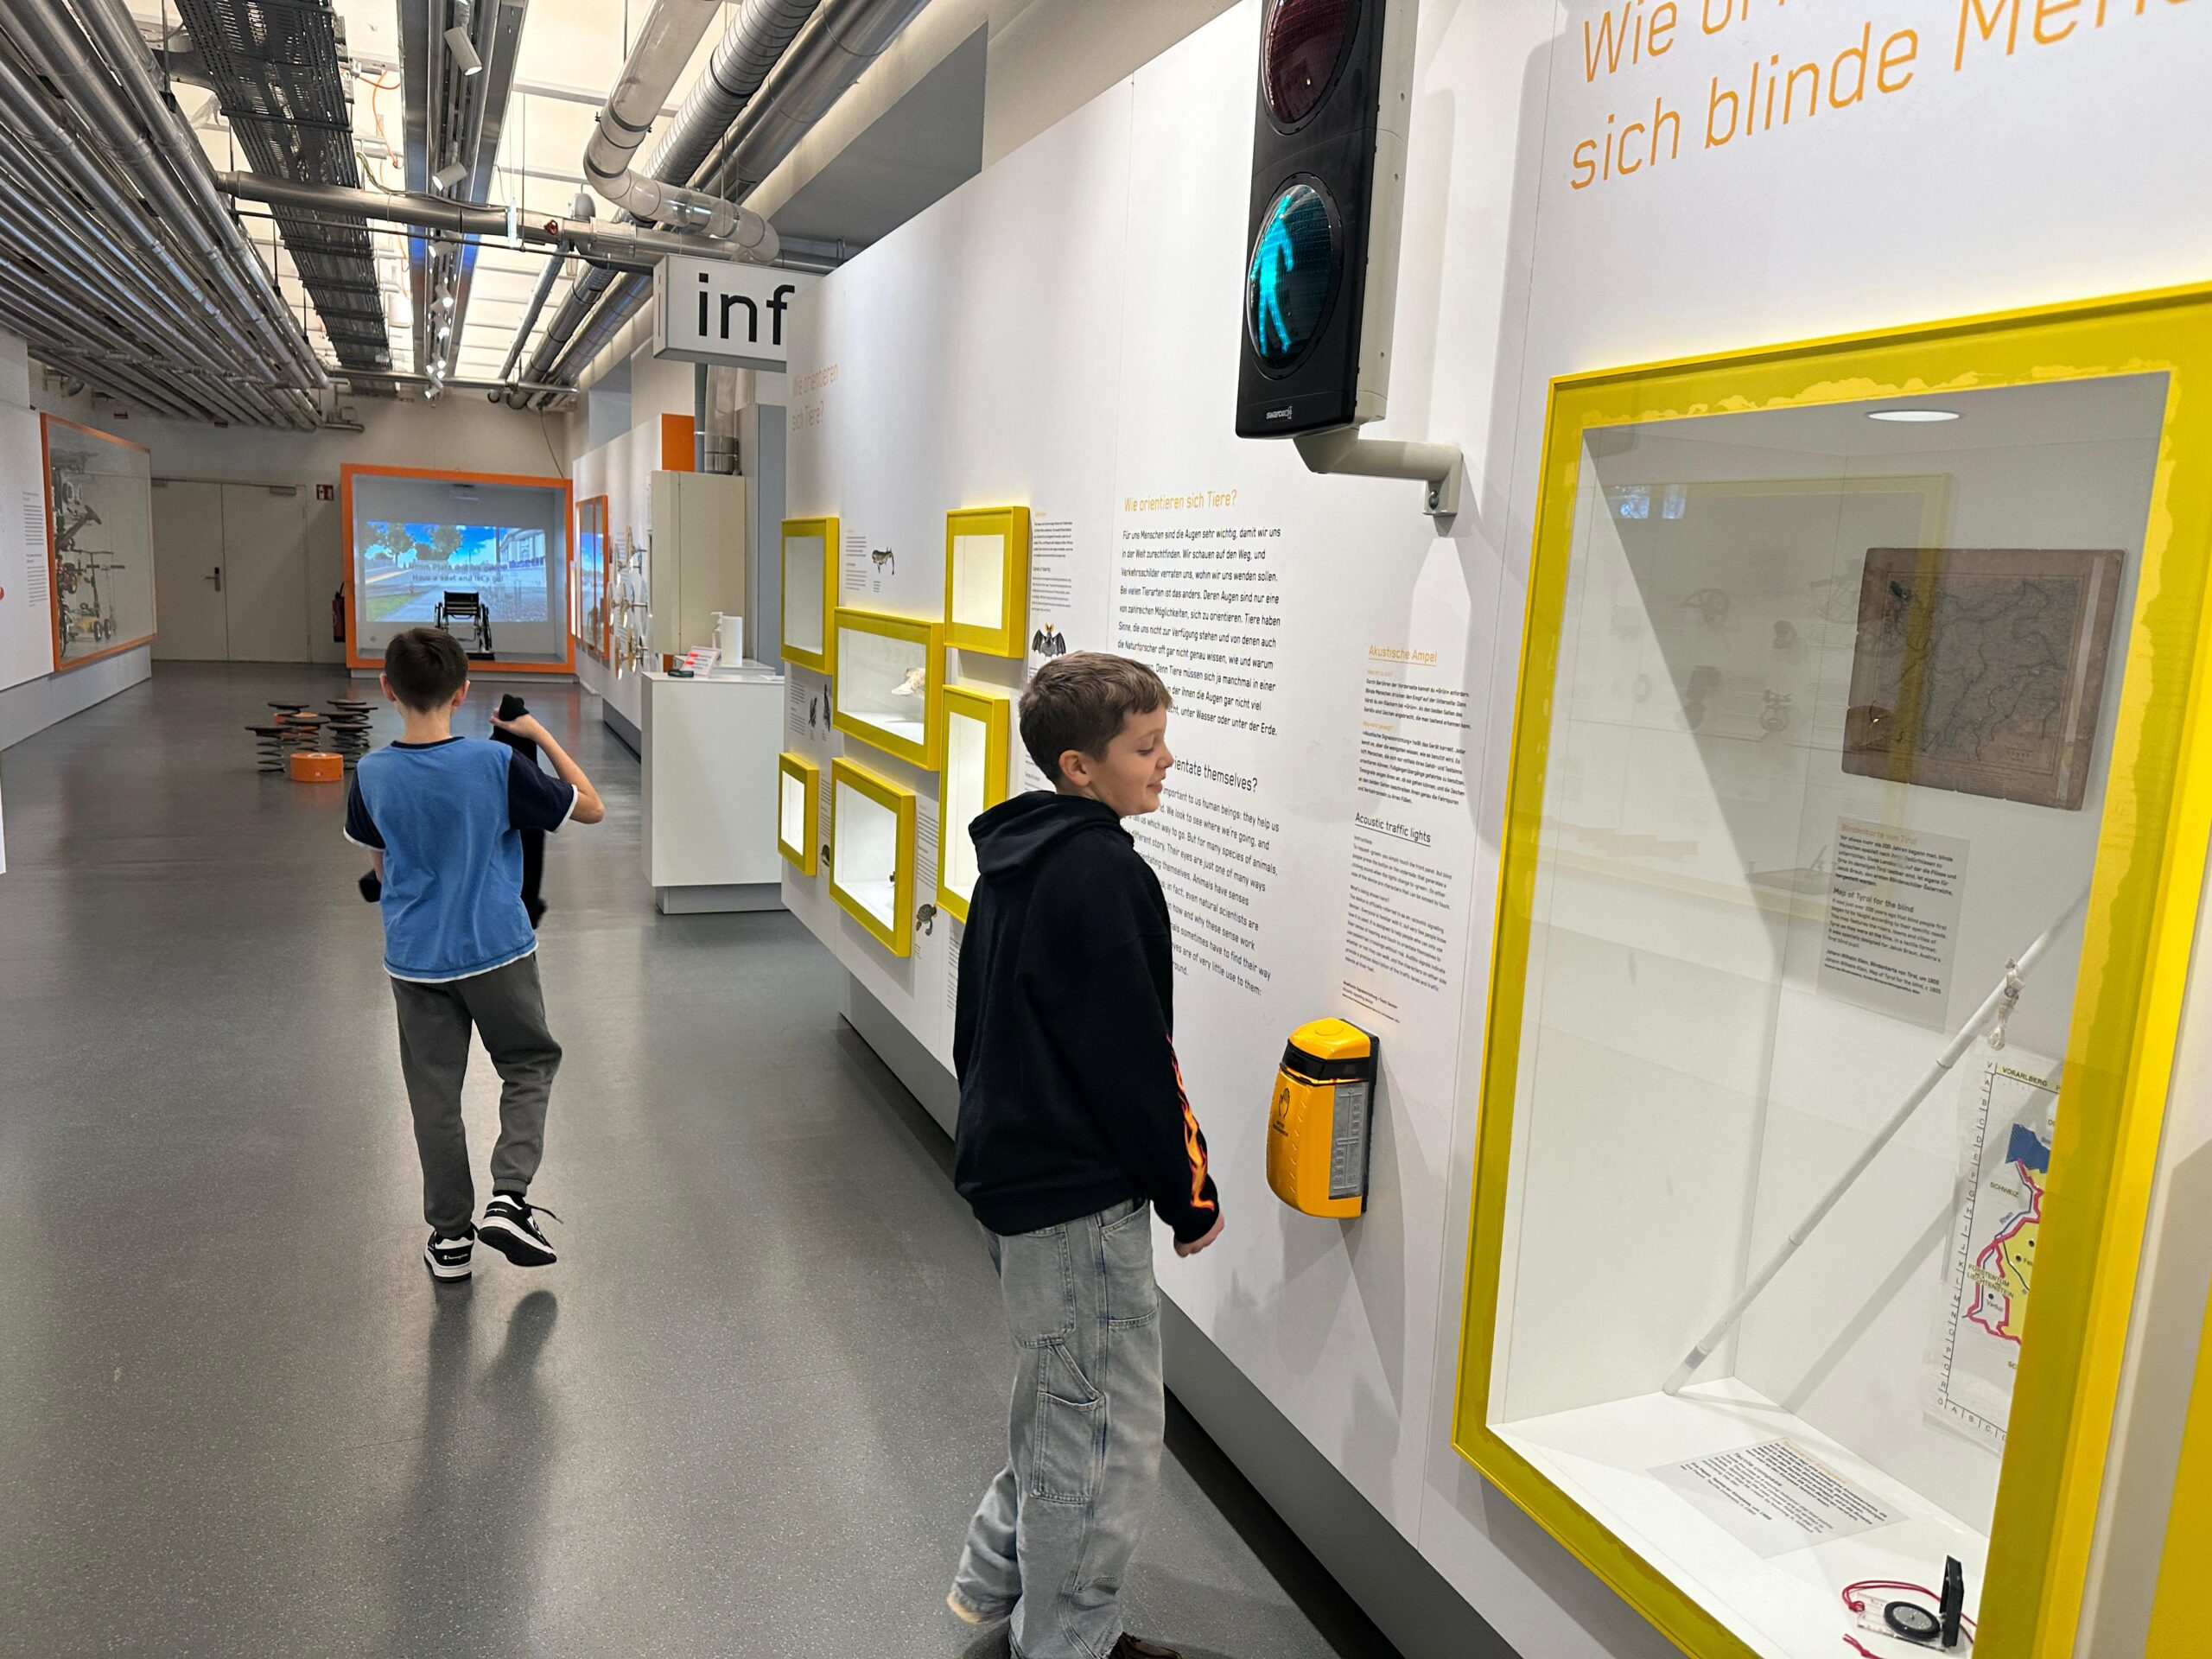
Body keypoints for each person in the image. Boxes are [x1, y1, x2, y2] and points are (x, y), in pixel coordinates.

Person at [947, 652, 1223, 1659]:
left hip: (1016, 1174)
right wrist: (1188, 1192)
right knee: (1102, 1440)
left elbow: (975, 1028)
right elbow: (1133, 1057)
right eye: (1146, 747)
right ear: (1079, 765)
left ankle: (996, 1584)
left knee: (1059, 1405)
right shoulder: (1105, 874)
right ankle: (1065, 1643)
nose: (1166, 761)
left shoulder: (1019, 857)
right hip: (1073, 1203)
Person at [344, 627, 604, 1282]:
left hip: (415, 958)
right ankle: (509, 1197)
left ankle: (451, 1237)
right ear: (463, 692)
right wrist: (538, 735)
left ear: (387, 688)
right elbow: (591, 809)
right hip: (496, 949)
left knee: (434, 1096)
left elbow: (382, 867)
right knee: (529, 1062)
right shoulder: (494, 764)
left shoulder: (370, 775)